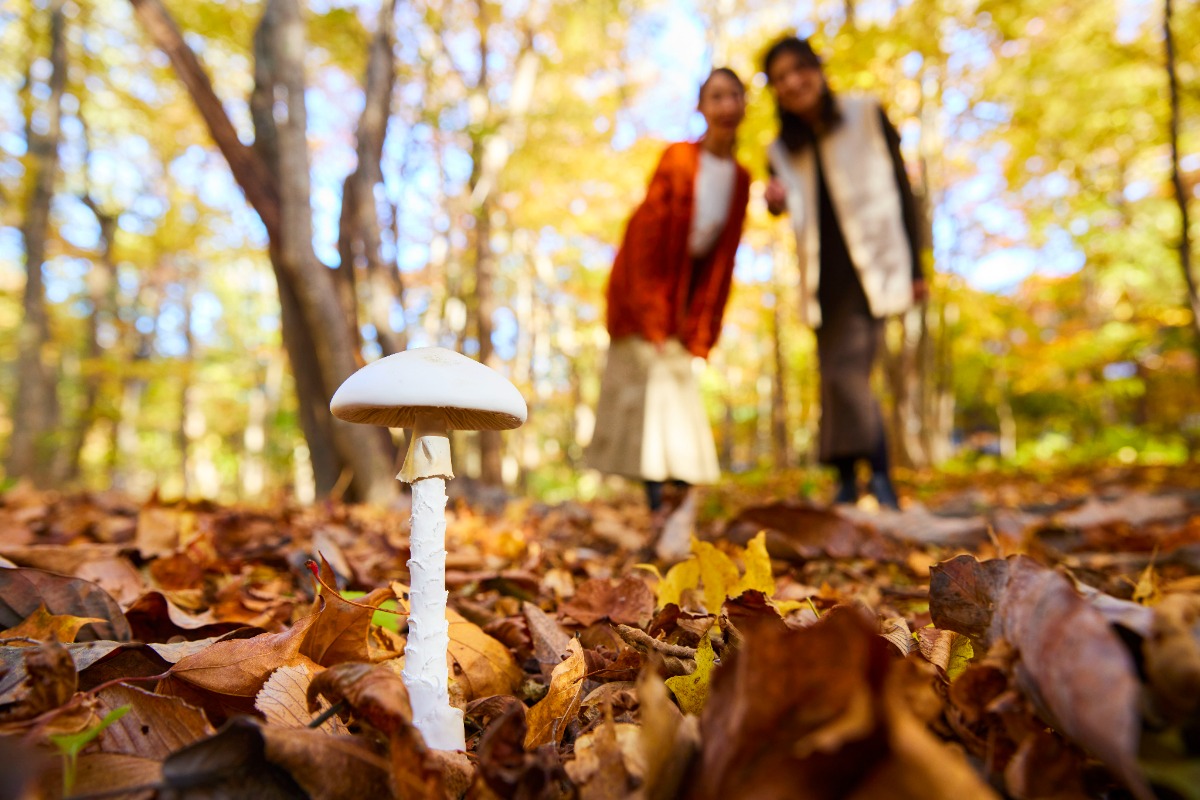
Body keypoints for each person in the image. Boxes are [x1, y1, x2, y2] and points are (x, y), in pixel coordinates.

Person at [586, 68, 750, 555]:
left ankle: (678, 513)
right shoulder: (679, 159)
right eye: (715, 97)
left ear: (744, 105)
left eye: (733, 96)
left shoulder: (741, 178)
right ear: (702, 108)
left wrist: (702, 330)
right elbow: (648, 239)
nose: (725, 105)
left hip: (683, 304)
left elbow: (723, 259)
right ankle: (658, 512)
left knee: (680, 402)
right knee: (651, 400)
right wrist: (655, 317)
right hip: (644, 294)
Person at [762, 37, 926, 510]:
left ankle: (879, 479)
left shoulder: (866, 113)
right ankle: (846, 487)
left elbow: (902, 187)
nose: (793, 82)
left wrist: (916, 267)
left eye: (799, 69)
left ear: (817, 68)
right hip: (820, 279)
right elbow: (780, 202)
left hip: (872, 268)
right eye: (781, 78)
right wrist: (773, 205)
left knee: (845, 372)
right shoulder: (779, 149)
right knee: (831, 377)